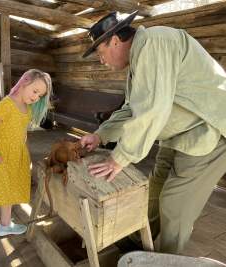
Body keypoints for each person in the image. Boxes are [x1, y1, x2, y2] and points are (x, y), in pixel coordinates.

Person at [80, 10, 226, 254]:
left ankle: (166, 257)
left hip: (208, 131)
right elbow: (132, 109)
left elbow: (152, 109)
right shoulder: (139, 60)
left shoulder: (156, 42)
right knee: (154, 192)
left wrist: (120, 158)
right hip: (178, 135)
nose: (100, 61)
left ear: (114, 40)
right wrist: (101, 135)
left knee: (175, 204)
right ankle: (143, 246)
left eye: (100, 53)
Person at [0, 69, 52, 265]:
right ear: (25, 81)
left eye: (40, 95)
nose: (35, 97)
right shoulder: (6, 104)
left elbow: (22, 133)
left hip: (16, 157)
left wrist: (25, 154)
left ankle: (5, 224)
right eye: (35, 91)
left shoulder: (27, 108)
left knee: (10, 189)